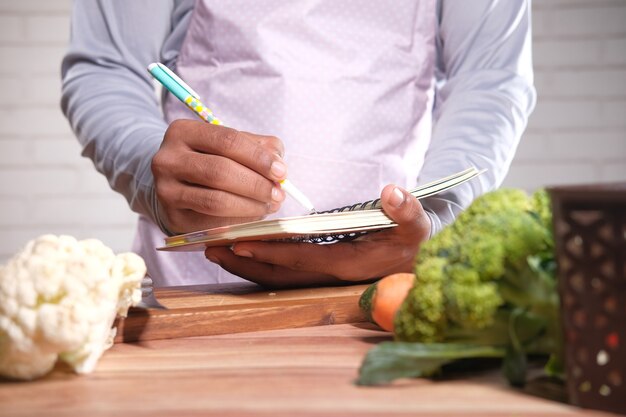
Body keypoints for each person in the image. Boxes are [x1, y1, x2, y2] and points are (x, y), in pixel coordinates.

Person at [61, 0, 535, 288]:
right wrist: (150, 172)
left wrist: (433, 218)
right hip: (199, 284)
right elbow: (107, 66)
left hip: (385, 279)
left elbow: (491, 76)